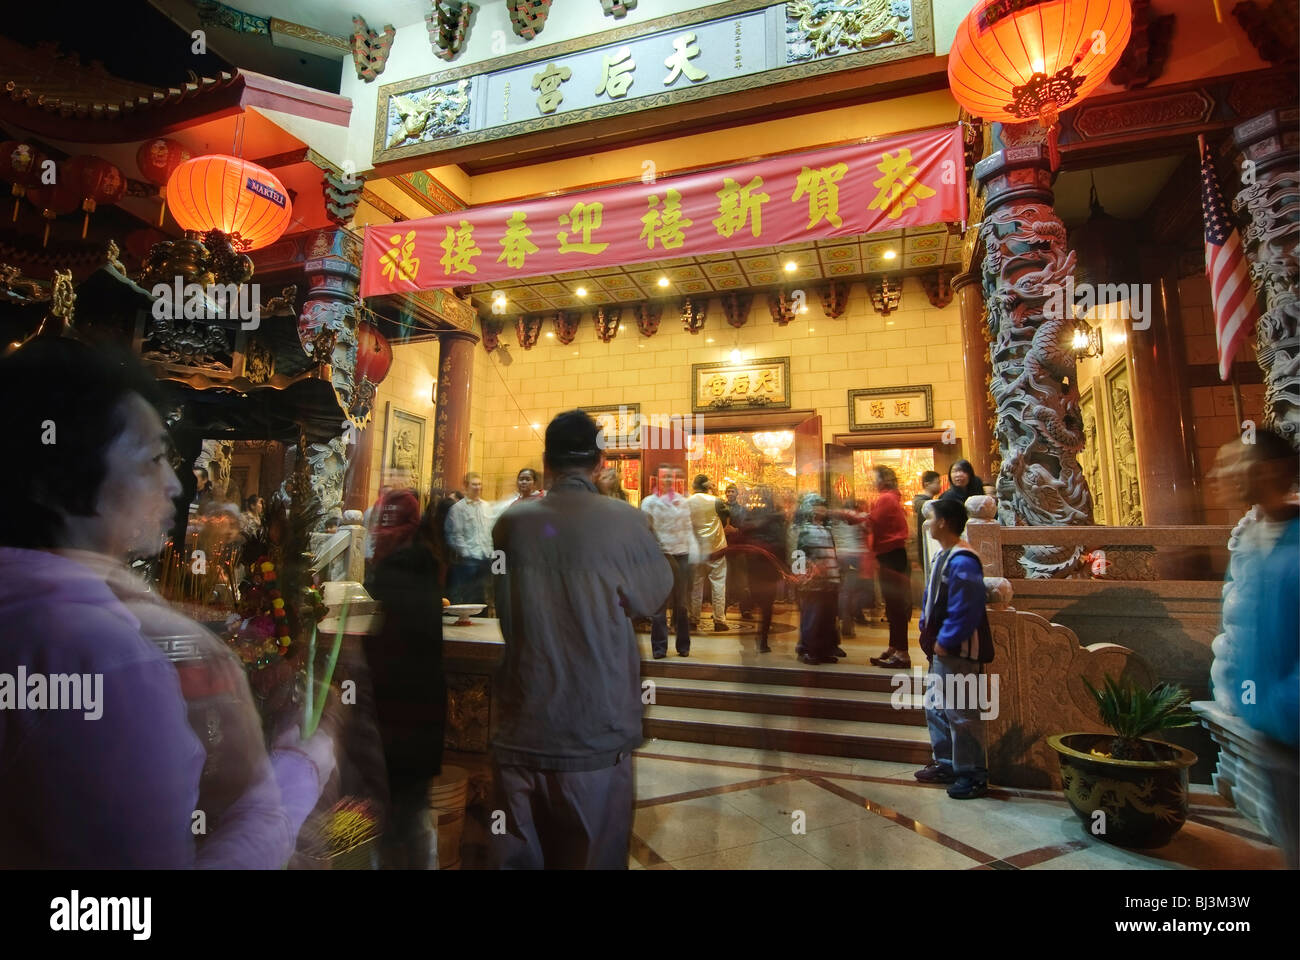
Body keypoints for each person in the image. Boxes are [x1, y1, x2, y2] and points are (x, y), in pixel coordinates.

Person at [0, 338, 334, 868]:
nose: (175, 485)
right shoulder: (114, 659)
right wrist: (295, 776)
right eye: (154, 457)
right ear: (49, 481)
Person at [489, 411, 673, 868]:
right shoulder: (624, 521)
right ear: (601, 462)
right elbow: (651, 598)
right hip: (595, 725)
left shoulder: (511, 523)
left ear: (546, 463)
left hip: (521, 721)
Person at [1213, 428, 1298, 867]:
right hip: (1274, 735)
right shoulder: (1254, 537)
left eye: (1231, 463)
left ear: (1270, 470)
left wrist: (1283, 706)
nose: (1219, 474)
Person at [364, 489, 447, 869]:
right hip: (420, 717)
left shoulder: (396, 574)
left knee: (399, 820)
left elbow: (388, 652)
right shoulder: (425, 564)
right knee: (411, 814)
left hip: (396, 720)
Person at [915, 498, 994, 800]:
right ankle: (946, 763)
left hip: (958, 650)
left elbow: (967, 608)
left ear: (944, 522)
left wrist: (946, 640)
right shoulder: (944, 556)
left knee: (962, 713)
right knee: (937, 707)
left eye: (932, 517)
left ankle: (972, 774)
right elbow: (931, 598)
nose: (929, 523)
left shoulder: (963, 559)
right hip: (942, 648)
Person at [641, 465, 694, 658]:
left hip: (681, 554)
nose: (668, 481)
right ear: (658, 479)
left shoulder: (682, 502)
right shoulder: (649, 503)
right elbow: (645, 530)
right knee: (659, 604)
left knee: (681, 604)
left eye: (670, 477)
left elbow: (688, 527)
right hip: (659, 557)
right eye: (664, 477)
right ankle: (659, 647)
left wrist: (693, 550)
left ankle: (683, 646)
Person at [868, 466, 914, 669]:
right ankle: (895, 647)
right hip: (893, 554)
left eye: (874, 478)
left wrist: (851, 515)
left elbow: (873, 522)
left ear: (883, 480)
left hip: (891, 555)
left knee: (895, 605)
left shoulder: (886, 498)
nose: (872, 482)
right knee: (893, 605)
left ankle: (902, 653)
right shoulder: (891, 497)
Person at [794, 493, 840, 664]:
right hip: (812, 583)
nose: (821, 509)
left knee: (827, 617)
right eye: (816, 506)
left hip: (830, 580)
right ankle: (808, 649)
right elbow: (798, 555)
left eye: (822, 505)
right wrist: (801, 576)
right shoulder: (805, 530)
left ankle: (823, 650)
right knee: (812, 616)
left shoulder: (827, 530)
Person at [741, 486, 787, 654]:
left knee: (762, 601)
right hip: (767, 565)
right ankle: (763, 638)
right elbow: (782, 542)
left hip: (758, 565)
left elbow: (744, 535)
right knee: (767, 605)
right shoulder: (776, 519)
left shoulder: (752, 515)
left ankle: (762, 637)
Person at [445, 471, 494, 606]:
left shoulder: (486, 506)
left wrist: (490, 552)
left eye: (479, 484)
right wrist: (467, 553)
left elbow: (489, 531)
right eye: (474, 484)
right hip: (467, 561)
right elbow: (455, 535)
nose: (478, 487)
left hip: (485, 558)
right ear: (466, 486)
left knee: (482, 597)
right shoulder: (458, 508)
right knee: (467, 596)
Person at [687, 474, 729, 631]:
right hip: (716, 548)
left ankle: (693, 618)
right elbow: (726, 518)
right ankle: (719, 620)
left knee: (696, 585)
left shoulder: (687, 502)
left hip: (697, 549)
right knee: (718, 584)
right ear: (708, 486)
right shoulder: (716, 501)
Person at [831, 496, 870, 641]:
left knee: (843, 590)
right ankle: (848, 622)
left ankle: (843, 620)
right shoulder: (856, 517)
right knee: (853, 591)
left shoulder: (835, 519)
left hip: (839, 555)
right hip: (855, 556)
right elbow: (867, 527)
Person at [723, 484, 752, 618]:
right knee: (724, 580)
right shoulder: (721, 509)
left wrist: (736, 530)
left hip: (739, 548)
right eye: (728, 491)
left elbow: (747, 529)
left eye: (732, 491)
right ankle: (721, 610)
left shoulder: (743, 510)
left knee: (742, 581)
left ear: (737, 493)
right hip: (724, 548)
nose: (730, 493)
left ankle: (745, 609)